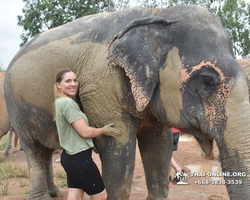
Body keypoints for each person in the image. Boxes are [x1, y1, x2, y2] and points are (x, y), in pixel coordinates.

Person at [53, 68, 120, 200]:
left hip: (70, 157)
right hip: (79, 159)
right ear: (58, 85)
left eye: (74, 80)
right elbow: (85, 132)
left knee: (75, 195)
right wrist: (104, 130)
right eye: (68, 81)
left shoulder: (59, 102)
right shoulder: (67, 103)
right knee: (100, 196)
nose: (73, 84)